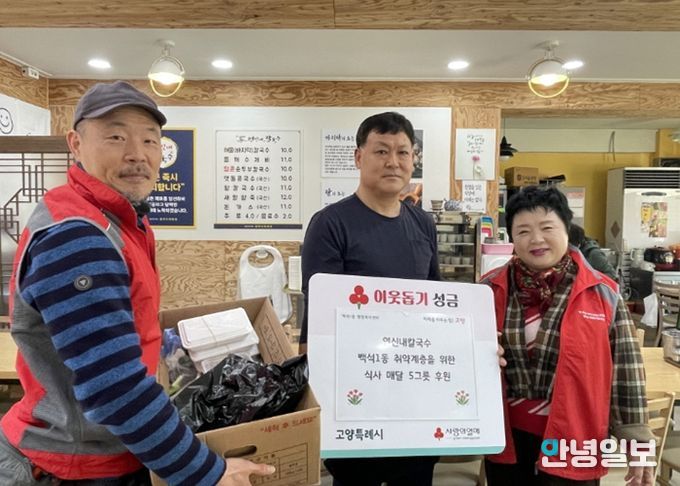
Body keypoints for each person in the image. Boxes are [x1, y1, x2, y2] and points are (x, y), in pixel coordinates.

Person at [0, 81, 275, 486]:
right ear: (75, 144)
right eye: (116, 137)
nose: (137, 154)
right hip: (70, 465)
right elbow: (115, 389)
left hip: (111, 449)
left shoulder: (120, 220)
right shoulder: (78, 236)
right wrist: (207, 472)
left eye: (150, 140)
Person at [299, 112, 441, 485]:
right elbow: (319, 314)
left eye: (403, 152)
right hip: (357, 390)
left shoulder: (423, 224)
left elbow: (436, 302)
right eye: (381, 151)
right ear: (358, 157)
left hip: (414, 387)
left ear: (413, 159)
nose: (393, 161)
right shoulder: (330, 223)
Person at [481, 185, 654, 486]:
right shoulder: (487, 290)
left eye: (547, 227)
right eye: (523, 231)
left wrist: (638, 443)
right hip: (508, 438)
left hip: (575, 438)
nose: (536, 239)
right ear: (512, 238)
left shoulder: (603, 293)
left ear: (567, 230)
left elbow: (627, 371)